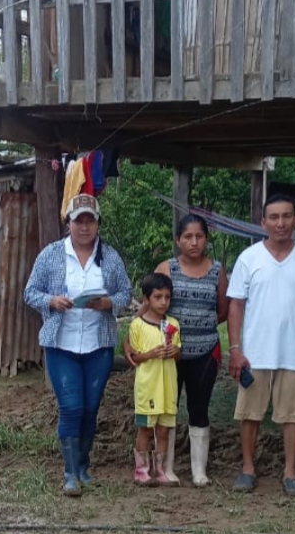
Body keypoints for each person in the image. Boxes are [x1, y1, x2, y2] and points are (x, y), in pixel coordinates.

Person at [24, 194, 133, 496]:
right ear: (68, 223)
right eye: (78, 221)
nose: (84, 227)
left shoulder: (109, 257)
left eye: (90, 221)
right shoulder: (51, 255)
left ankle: (84, 466)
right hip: (61, 344)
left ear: (98, 224)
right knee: (71, 407)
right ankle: (70, 473)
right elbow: (30, 292)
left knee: (90, 407)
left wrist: (107, 303)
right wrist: (52, 301)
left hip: (98, 345)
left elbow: (126, 293)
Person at [226, 194, 295, 496]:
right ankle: (247, 469)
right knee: (249, 413)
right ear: (263, 222)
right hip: (255, 353)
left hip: (294, 351)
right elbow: (235, 305)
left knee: (293, 415)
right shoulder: (249, 258)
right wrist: (235, 349)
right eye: (274, 217)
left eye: (286, 216)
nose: (280, 223)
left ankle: (290, 473)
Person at [154, 213, 228, 486]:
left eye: (199, 236)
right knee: (168, 409)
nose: (194, 242)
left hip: (205, 352)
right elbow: (152, 306)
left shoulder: (217, 271)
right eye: (188, 237)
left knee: (199, 408)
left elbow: (223, 310)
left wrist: (200, 325)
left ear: (206, 239)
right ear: (178, 240)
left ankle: (199, 471)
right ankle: (166, 468)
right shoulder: (167, 269)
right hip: (169, 354)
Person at [124, 274, 182, 484]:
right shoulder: (138, 325)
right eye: (158, 297)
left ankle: (161, 470)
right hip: (148, 387)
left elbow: (178, 355)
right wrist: (150, 354)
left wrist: (174, 351)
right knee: (146, 429)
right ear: (146, 299)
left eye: (167, 297)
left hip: (168, 388)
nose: (163, 302)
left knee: (164, 430)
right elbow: (134, 357)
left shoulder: (173, 324)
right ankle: (141, 471)